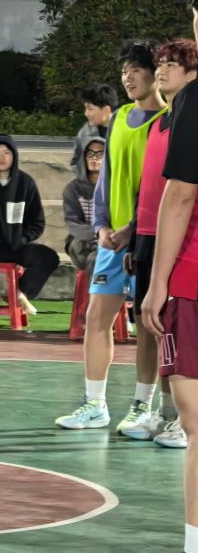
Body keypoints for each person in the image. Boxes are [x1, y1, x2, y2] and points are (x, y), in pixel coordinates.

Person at [57, 41, 166, 431]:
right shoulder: (119, 117)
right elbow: (105, 177)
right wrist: (101, 226)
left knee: (146, 323)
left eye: (136, 69)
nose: (128, 77)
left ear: (156, 73)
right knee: (96, 316)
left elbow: (161, 186)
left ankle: (142, 406)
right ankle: (95, 404)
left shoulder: (168, 120)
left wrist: (131, 229)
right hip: (111, 240)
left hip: (147, 238)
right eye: (124, 71)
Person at [123, 39, 198, 445]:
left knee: (174, 329)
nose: (162, 70)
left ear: (193, 73)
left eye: (172, 64)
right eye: (161, 64)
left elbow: (182, 193)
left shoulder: (191, 117)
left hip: (180, 241)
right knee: (151, 327)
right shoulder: (159, 124)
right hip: (149, 235)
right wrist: (133, 234)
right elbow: (150, 189)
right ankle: (163, 411)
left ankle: (183, 420)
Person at [143, 6, 198, 553]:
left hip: (192, 278)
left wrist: (157, 284)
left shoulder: (193, 100)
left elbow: (180, 194)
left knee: (196, 425)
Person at [0, 134, 59, 317]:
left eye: (6, 153)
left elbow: (37, 222)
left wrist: (23, 239)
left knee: (49, 257)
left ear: (14, 156)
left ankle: (20, 293)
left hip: (16, 246)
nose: (1, 157)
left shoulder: (26, 183)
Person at [64, 137, 105, 274]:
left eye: (100, 153)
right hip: (82, 239)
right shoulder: (73, 189)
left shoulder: (115, 187)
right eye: (90, 154)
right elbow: (73, 223)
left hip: (112, 238)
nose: (94, 158)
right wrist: (99, 233)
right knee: (95, 259)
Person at [71, 84, 118, 167]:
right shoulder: (85, 132)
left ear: (106, 110)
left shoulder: (126, 131)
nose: (86, 113)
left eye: (90, 109)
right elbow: (76, 162)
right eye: (85, 108)